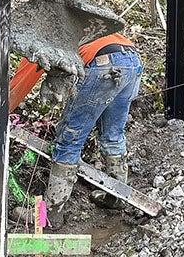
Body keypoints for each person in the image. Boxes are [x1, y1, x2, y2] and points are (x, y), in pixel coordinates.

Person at [44, 32, 143, 228]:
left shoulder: (49, 40)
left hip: (102, 63)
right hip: (131, 60)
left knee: (69, 138)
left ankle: (50, 215)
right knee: (113, 135)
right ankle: (115, 199)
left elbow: (34, 74)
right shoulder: (86, 26)